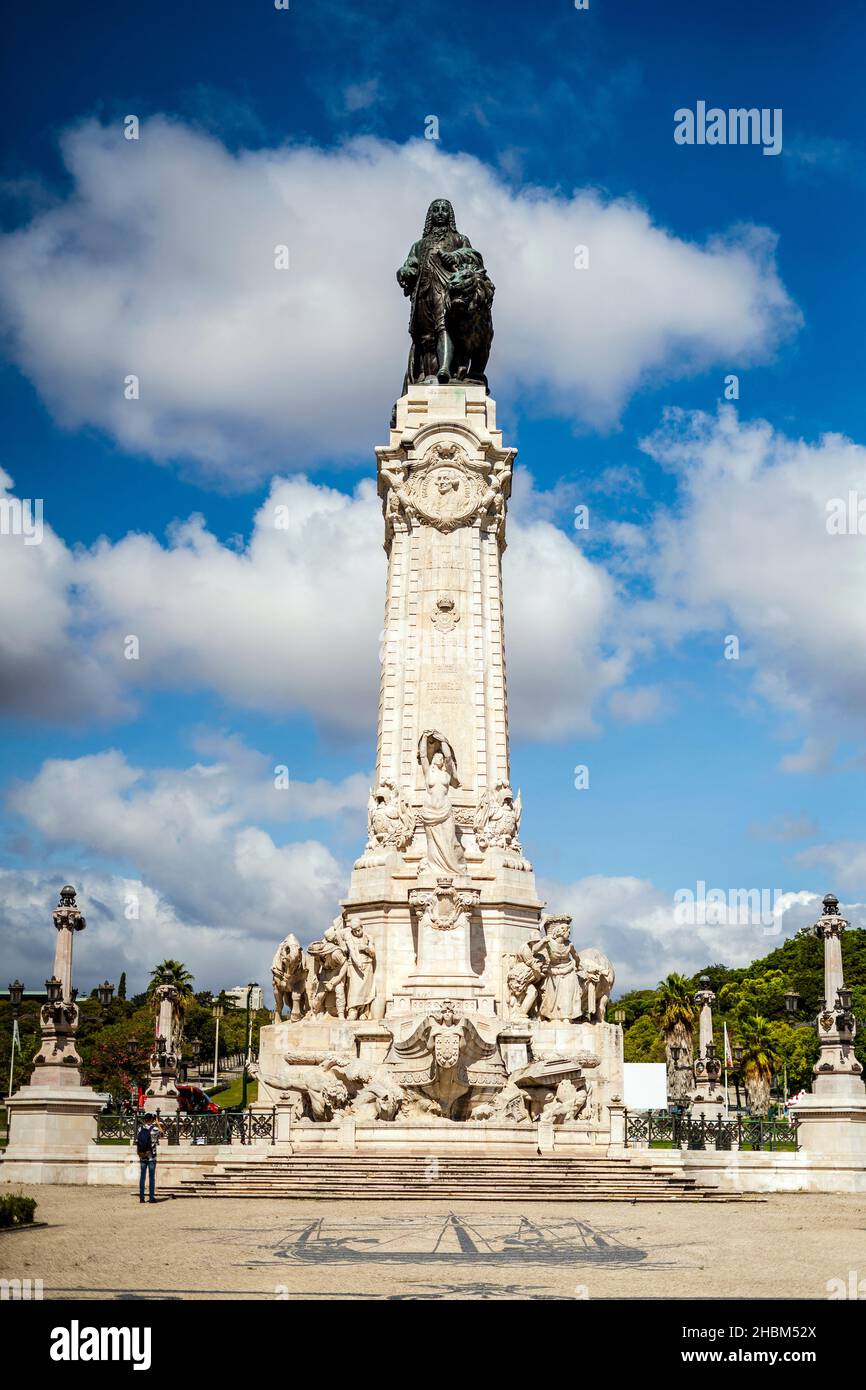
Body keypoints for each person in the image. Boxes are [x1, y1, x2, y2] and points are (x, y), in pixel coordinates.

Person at [136, 1112, 163, 1204]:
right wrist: (157, 1122)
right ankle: (151, 1198)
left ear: (144, 1120)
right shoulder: (155, 1129)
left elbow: (137, 1140)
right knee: (151, 1177)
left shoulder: (140, 1129)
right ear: (151, 1120)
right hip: (152, 1156)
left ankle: (142, 1198)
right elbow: (162, 1133)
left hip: (142, 1155)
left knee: (142, 1177)